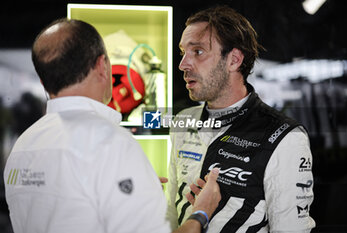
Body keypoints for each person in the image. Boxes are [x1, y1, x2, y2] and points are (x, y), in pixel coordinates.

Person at [3, 18, 221, 233]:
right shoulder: (111, 143)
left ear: (43, 82)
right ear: (101, 65)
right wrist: (201, 213)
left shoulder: (22, 147)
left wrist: (128, 189)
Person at [166, 5, 316, 233]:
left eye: (197, 52)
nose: (183, 64)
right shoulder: (183, 121)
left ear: (234, 60)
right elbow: (169, 213)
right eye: (182, 53)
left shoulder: (285, 136)